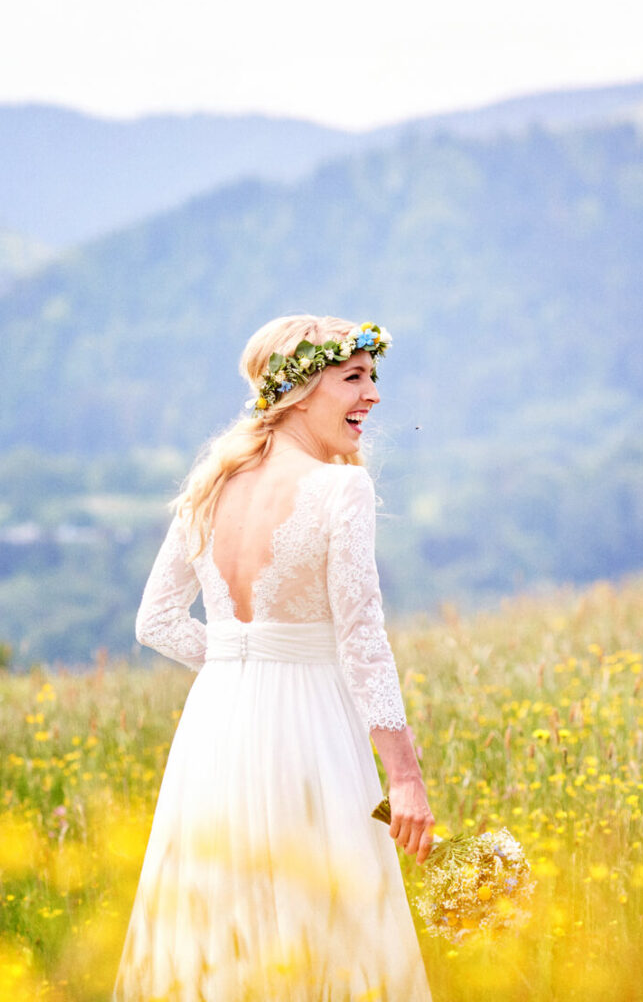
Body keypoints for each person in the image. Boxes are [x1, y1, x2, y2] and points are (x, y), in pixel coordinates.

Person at [113, 314, 434, 1001]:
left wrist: (239, 670)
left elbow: (156, 622)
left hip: (215, 728)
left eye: (373, 377)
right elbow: (362, 641)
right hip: (310, 727)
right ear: (301, 389)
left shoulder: (208, 483)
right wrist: (403, 777)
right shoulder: (339, 487)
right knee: (328, 925)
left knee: (221, 925)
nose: (373, 396)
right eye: (353, 378)